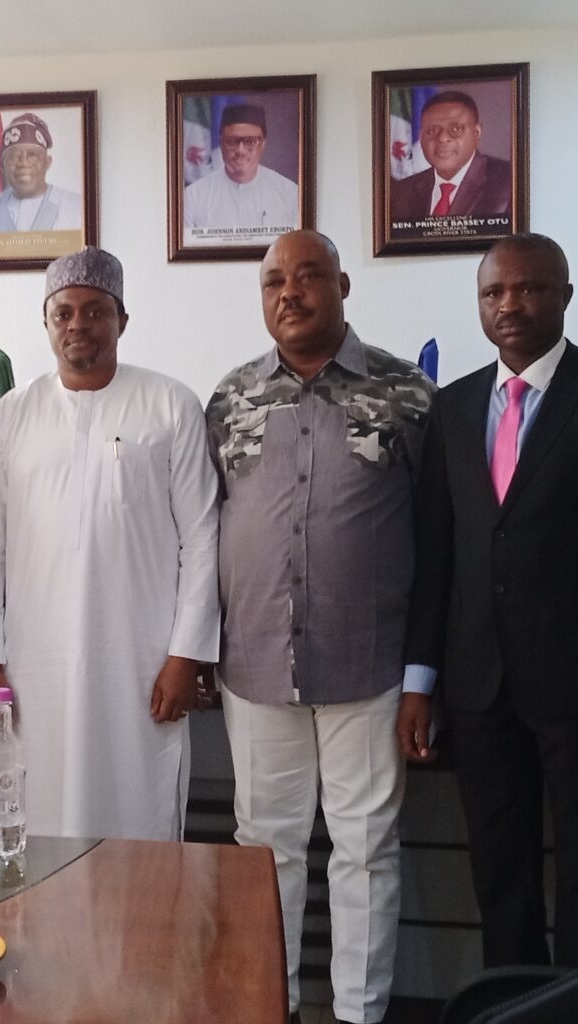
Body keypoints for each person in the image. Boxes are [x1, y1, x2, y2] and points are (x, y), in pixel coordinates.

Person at [206, 230, 435, 1024]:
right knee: (265, 855)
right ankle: (274, 1009)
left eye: (309, 276)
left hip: (368, 667)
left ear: (342, 285)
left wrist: (421, 674)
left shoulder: (406, 393)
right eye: (274, 280)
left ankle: (359, 1016)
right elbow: (209, 529)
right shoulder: (230, 397)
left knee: (364, 855)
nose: (290, 292)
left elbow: (438, 537)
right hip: (257, 667)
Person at [0, 245, 219, 841]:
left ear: (122, 320)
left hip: (141, 663)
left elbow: (203, 537)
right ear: (47, 324)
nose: (79, 324)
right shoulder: (9, 418)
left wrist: (187, 655)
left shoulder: (170, 405)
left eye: (96, 311)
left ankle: (144, 936)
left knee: (139, 821)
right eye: (64, 313)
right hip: (32, 671)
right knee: (37, 823)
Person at [400, 233, 578, 969]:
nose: (510, 305)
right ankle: (515, 1004)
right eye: (493, 293)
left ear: (564, 295)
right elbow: (436, 554)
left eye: (529, 288)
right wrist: (420, 683)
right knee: (499, 869)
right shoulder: (454, 406)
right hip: (478, 685)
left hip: (571, 680)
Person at [390, 90, 512, 220]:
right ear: (421, 137)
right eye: (432, 130)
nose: (442, 138)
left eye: (456, 129)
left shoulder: (511, 182)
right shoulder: (400, 192)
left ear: (476, 133)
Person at [183, 102, 299, 237]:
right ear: (221, 143)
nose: (240, 150)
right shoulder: (193, 197)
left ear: (263, 144)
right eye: (232, 141)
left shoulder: (290, 194)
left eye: (250, 142)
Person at [0, 112, 83, 233]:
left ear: (47, 162)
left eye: (32, 155)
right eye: (14, 157)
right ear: (2, 165)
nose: (23, 163)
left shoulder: (78, 208)